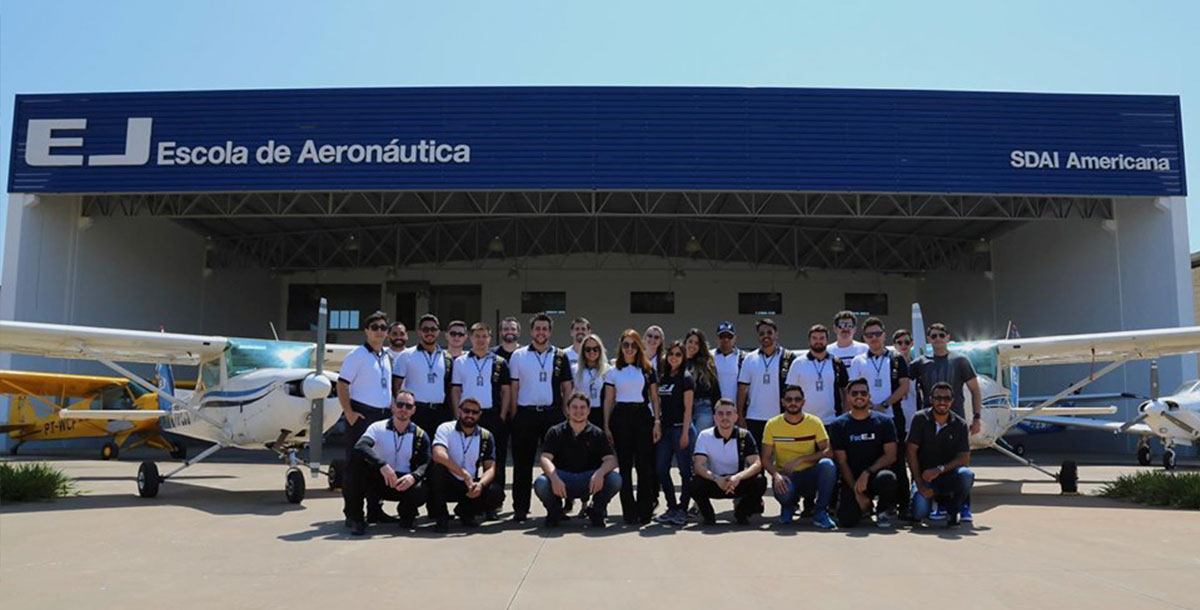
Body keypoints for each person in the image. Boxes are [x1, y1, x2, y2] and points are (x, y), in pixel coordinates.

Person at [909, 322, 982, 522]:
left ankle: (964, 506)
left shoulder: (961, 360)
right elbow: (902, 381)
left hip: (955, 420)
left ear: (948, 337)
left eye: (942, 334)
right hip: (928, 422)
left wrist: (976, 417)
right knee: (931, 460)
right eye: (934, 335)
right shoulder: (920, 363)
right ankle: (939, 504)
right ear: (929, 339)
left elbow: (975, 389)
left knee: (961, 466)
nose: (938, 338)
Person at [507, 312, 574, 522]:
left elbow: (567, 387)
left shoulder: (560, 355)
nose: (541, 332)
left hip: (552, 414)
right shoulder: (518, 355)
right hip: (526, 414)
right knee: (522, 464)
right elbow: (514, 387)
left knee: (557, 463)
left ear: (550, 332)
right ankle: (520, 507)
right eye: (537, 328)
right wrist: (514, 414)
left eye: (545, 328)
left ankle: (556, 507)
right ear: (531, 331)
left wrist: (566, 414)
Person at [336, 311, 396, 526]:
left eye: (383, 327)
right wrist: (349, 413)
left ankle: (374, 510)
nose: (379, 331)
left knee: (376, 466)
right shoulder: (357, 355)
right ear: (366, 331)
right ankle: (353, 515)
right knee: (356, 467)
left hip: (382, 417)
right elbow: (342, 384)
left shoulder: (386, 356)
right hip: (362, 415)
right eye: (375, 327)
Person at [345, 389, 430, 535]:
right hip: (378, 478)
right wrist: (382, 464)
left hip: (402, 482)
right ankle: (357, 518)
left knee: (421, 488)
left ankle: (406, 514)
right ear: (393, 406)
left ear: (413, 410)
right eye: (400, 404)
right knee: (355, 465)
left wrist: (414, 476)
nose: (403, 409)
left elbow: (426, 462)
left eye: (408, 406)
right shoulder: (377, 427)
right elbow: (361, 446)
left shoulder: (420, 435)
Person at [449, 322, 511, 519]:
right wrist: (457, 413)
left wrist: (502, 415)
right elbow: (456, 390)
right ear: (471, 338)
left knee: (495, 461)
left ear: (490, 339)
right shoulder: (460, 361)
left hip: (492, 415)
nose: (481, 340)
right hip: (468, 416)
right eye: (477, 336)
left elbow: (506, 391)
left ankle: (493, 503)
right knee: (468, 458)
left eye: (485, 336)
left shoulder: (500, 362)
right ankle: (469, 503)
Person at [534, 392, 622, 528]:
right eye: (574, 407)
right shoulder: (556, 431)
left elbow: (611, 460)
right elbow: (545, 458)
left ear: (588, 411)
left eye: (582, 407)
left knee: (615, 479)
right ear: (567, 410)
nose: (578, 411)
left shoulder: (597, 433)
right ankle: (555, 511)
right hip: (563, 479)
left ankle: (596, 510)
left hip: (589, 480)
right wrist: (554, 478)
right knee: (541, 483)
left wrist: (600, 473)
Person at [604, 328, 662, 524]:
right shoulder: (613, 371)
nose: (629, 349)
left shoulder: (647, 370)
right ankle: (629, 512)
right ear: (621, 347)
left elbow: (655, 397)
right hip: (621, 418)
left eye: (633, 345)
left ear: (639, 347)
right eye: (625, 345)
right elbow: (609, 400)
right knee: (625, 468)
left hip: (643, 417)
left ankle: (645, 511)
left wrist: (657, 422)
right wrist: (606, 425)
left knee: (644, 467)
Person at [761, 385, 837, 529]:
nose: (793, 402)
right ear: (783, 402)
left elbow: (828, 451)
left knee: (828, 465)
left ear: (803, 402)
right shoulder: (772, 424)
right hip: (787, 477)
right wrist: (776, 475)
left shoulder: (814, 422)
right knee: (783, 489)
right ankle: (788, 506)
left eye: (797, 399)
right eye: (789, 399)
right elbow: (765, 458)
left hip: (810, 476)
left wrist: (802, 459)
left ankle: (820, 512)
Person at [828, 378, 899, 528]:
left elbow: (891, 455)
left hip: (875, 476)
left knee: (888, 478)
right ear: (848, 397)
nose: (859, 396)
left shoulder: (885, 422)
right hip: (851, 479)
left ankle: (882, 511)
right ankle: (864, 507)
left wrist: (867, 472)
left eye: (863, 393)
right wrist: (857, 492)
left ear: (869, 396)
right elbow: (842, 461)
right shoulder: (838, 425)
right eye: (854, 393)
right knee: (847, 520)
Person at [427, 397, 504, 532]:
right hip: (448, 481)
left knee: (496, 493)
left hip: (470, 486)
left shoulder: (486, 436)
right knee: (436, 469)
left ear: (479, 415)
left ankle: (466, 512)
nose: (470, 415)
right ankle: (441, 517)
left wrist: (480, 485)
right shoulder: (445, 428)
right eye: (466, 411)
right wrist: (463, 473)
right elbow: (438, 454)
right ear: (459, 411)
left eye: (474, 412)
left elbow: (490, 468)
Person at [907, 382, 975, 528]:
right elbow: (910, 451)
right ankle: (930, 501)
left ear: (952, 401)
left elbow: (964, 457)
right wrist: (919, 483)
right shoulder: (919, 419)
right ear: (931, 399)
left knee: (966, 474)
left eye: (946, 398)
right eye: (938, 398)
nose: (942, 402)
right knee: (919, 513)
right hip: (925, 477)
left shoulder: (960, 424)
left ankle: (955, 509)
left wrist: (939, 469)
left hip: (947, 475)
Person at [690, 398, 766, 525]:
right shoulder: (705, 435)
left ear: (736, 417)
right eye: (720, 414)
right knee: (694, 483)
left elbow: (757, 464)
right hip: (715, 482)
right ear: (714, 417)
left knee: (760, 481)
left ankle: (742, 512)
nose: (724, 417)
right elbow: (698, 465)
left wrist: (738, 477)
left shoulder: (744, 435)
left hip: (737, 482)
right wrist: (716, 478)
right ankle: (708, 515)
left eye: (729, 414)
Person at [654, 341, 696, 526]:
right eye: (671, 353)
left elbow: (688, 409)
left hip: (681, 428)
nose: (674, 357)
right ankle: (671, 506)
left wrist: (686, 433)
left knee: (685, 471)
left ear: (683, 357)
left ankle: (683, 509)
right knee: (661, 469)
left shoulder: (686, 378)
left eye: (678, 354)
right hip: (665, 429)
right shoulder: (662, 377)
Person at [393, 313, 455, 434]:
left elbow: (450, 388)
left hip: (441, 413)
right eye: (425, 329)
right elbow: (396, 386)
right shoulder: (406, 355)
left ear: (438, 332)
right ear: (419, 332)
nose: (429, 332)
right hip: (416, 412)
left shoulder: (447, 358)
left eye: (433, 329)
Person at [736, 318, 796, 444]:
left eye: (769, 332)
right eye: (762, 333)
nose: (766, 336)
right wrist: (740, 415)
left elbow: (796, 389)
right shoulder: (749, 358)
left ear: (776, 334)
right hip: (754, 417)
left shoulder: (788, 357)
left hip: (781, 417)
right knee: (756, 456)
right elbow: (742, 389)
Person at [847, 317, 910, 429]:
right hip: (865, 416)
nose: (874, 338)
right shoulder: (858, 360)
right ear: (864, 338)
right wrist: (870, 406)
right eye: (870, 335)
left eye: (877, 334)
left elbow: (904, 386)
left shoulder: (897, 358)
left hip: (893, 416)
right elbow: (852, 388)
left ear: (884, 335)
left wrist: (884, 405)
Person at [784, 324, 848, 426]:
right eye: (814, 338)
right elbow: (789, 393)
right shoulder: (798, 363)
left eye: (822, 338)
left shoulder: (836, 363)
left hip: (831, 421)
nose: (818, 341)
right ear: (809, 341)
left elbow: (846, 392)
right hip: (804, 421)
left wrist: (844, 415)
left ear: (827, 341)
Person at [684, 328, 720, 432]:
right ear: (685, 342)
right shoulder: (678, 361)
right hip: (683, 408)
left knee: (701, 441)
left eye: (696, 343)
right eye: (690, 341)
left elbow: (715, 390)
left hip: (703, 407)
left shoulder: (707, 364)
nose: (692, 345)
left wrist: (717, 413)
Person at [573, 333, 611, 427]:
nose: (592, 352)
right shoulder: (574, 370)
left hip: (600, 414)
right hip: (580, 414)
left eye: (595, 349)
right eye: (588, 349)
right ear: (583, 351)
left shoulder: (608, 370)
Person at [711, 321, 743, 403]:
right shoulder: (710, 356)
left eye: (729, 336)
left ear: (735, 338)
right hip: (713, 408)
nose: (726, 339)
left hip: (735, 408)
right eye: (722, 336)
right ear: (717, 338)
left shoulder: (743, 358)